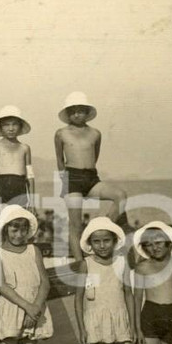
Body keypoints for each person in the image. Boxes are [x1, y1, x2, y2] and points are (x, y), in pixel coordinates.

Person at [54, 92, 128, 264]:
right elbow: (60, 160)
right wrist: (64, 185)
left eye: (81, 111)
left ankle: (101, 228)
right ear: (67, 114)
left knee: (121, 196)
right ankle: (81, 263)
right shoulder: (61, 133)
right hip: (72, 178)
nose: (77, 114)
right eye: (73, 111)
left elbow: (94, 157)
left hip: (91, 177)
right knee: (75, 225)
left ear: (87, 113)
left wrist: (88, 174)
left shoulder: (96, 133)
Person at [74, 216, 134, 344]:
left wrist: (133, 326)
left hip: (118, 320)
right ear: (90, 244)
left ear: (115, 241)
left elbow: (129, 294)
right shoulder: (86, 264)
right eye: (97, 241)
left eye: (106, 240)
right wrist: (81, 329)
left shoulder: (122, 262)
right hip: (94, 322)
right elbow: (78, 298)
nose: (102, 245)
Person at [0, 205, 52, 344]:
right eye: (14, 230)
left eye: (24, 230)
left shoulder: (34, 250)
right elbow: (1, 285)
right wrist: (27, 307)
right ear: (5, 230)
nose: (19, 235)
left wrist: (35, 309)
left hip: (35, 309)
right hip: (12, 309)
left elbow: (45, 283)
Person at [0, 105, 34, 212]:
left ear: (20, 126)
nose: (11, 128)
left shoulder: (25, 148)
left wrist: (32, 201)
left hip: (20, 188)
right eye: (6, 125)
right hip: (2, 188)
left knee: (20, 222)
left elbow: (30, 176)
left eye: (14, 124)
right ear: (0, 127)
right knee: (3, 223)